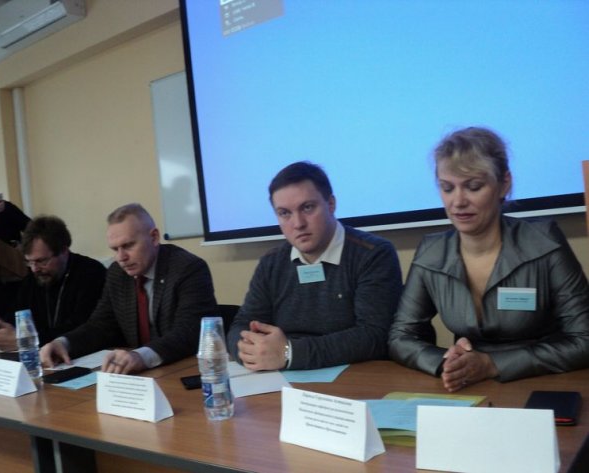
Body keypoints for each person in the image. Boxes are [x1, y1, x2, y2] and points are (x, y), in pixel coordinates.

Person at [388, 126, 589, 392]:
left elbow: (584, 339)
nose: (458, 201)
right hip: (470, 385)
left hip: (542, 382)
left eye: (473, 187)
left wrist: (493, 364)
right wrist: (447, 361)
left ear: (504, 184)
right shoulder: (431, 252)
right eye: (447, 188)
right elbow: (400, 337)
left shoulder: (544, 242)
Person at [227, 161, 402, 371]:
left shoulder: (373, 254)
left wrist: (290, 353)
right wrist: (249, 351)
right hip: (282, 375)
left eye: (307, 207)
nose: (298, 223)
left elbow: (374, 335)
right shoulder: (271, 263)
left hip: (356, 374)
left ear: (331, 204)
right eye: (284, 213)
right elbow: (242, 325)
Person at [40, 203, 217, 374]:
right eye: (115, 249)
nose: (121, 257)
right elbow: (100, 325)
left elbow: (189, 332)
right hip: (139, 376)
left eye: (128, 246)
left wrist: (141, 357)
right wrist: (63, 343)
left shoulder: (188, 268)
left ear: (154, 237)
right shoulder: (117, 273)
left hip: (181, 369)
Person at [0, 215, 106, 351]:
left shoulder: (92, 273)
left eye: (41, 261)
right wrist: (0, 324)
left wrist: (27, 341)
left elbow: (84, 328)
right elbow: (18, 314)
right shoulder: (33, 279)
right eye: (29, 262)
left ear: (64, 251)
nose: (34, 269)